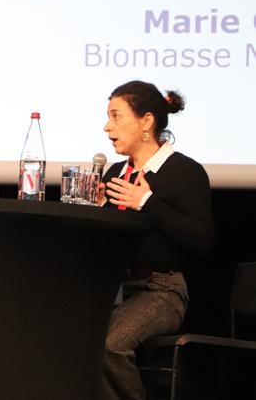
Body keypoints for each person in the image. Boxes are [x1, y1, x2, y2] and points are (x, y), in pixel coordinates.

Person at [98, 80, 213, 400]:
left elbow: (202, 241)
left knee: (110, 344)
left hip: (162, 289)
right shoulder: (114, 174)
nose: (107, 127)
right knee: (67, 335)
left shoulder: (184, 171)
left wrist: (147, 202)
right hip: (116, 289)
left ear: (146, 121)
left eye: (116, 116)